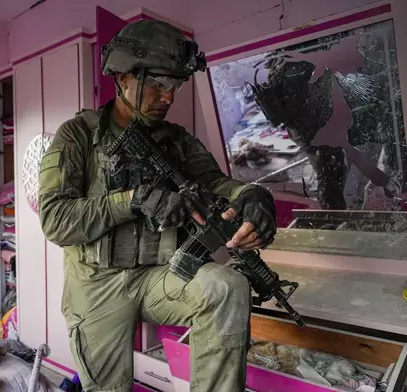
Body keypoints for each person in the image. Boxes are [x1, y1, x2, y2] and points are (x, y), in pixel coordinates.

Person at [38, 19, 277, 392]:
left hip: (160, 275)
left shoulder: (176, 140)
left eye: (174, 86)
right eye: (158, 83)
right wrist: (131, 201)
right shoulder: (80, 135)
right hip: (97, 284)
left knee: (228, 286)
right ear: (123, 76)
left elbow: (215, 183)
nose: (168, 97)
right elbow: (55, 220)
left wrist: (252, 196)